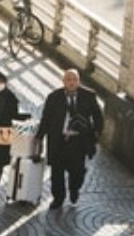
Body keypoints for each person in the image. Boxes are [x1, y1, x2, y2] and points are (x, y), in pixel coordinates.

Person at [37, 67, 103, 209]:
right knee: (57, 173)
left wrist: (96, 134)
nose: (71, 82)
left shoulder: (89, 96)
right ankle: (58, 198)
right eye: (68, 79)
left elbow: (98, 116)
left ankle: (74, 189)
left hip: (78, 142)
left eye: (74, 79)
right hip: (59, 141)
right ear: (63, 81)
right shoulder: (53, 97)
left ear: (78, 81)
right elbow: (46, 119)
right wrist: (39, 137)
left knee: (78, 172)